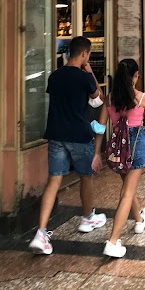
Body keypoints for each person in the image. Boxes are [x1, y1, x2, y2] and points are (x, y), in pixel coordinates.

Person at [29, 36, 107, 255]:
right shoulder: (84, 77)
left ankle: (41, 232)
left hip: (56, 133)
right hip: (79, 134)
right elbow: (98, 99)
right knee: (86, 177)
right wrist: (89, 71)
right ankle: (88, 218)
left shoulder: (54, 76)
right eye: (88, 55)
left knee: (54, 180)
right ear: (84, 54)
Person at [93, 59, 145, 258]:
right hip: (135, 145)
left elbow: (100, 127)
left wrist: (97, 153)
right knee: (126, 193)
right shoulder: (141, 99)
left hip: (118, 147)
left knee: (127, 187)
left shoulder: (110, 99)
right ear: (136, 75)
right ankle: (113, 241)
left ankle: (139, 221)